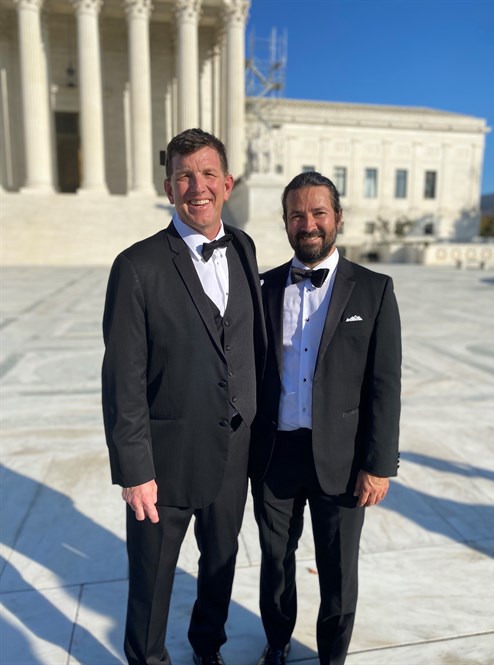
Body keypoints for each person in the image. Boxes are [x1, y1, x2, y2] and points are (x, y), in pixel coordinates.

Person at [102, 128, 266, 665]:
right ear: (169, 187)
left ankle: (207, 651)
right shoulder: (137, 266)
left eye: (208, 174)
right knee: (151, 586)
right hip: (163, 466)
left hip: (233, 453)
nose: (199, 186)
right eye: (184, 176)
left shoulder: (243, 246)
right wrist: (133, 469)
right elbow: (123, 377)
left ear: (228, 183)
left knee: (219, 570)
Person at [250, 171, 401, 665]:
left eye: (318, 213)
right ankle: (276, 643)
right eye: (297, 215)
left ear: (337, 218)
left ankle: (331, 658)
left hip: (342, 456)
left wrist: (379, 464)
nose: (308, 223)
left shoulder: (375, 290)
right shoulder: (264, 287)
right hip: (276, 455)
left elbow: (384, 384)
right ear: (286, 223)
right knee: (275, 564)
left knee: (338, 571)